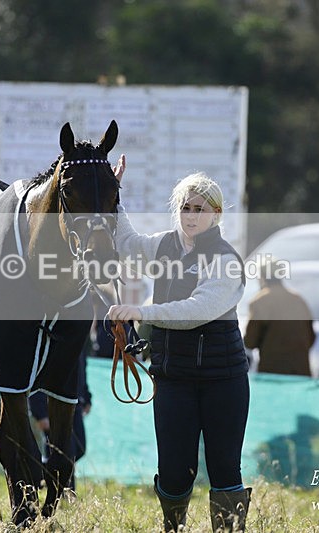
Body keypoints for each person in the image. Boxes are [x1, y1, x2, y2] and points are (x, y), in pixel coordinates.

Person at [108, 156, 251, 532]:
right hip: (173, 378)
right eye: (185, 208)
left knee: (224, 469)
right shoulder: (164, 246)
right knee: (172, 472)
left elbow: (195, 311)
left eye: (199, 209)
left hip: (224, 381)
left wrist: (139, 311)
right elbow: (126, 244)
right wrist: (114, 191)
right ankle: (174, 528)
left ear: (216, 213)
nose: (190, 216)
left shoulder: (226, 259)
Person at [28, 344, 92, 493]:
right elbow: (38, 376)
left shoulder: (78, 336)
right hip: (52, 406)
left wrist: (86, 397)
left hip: (75, 403)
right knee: (64, 452)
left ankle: (45, 478)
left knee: (79, 449)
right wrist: (40, 413)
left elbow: (82, 369)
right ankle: (64, 494)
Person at [243, 260, 315, 375]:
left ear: (262, 277)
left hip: (273, 374)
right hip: (301, 373)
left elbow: (250, 342)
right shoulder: (299, 300)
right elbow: (311, 338)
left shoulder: (259, 301)